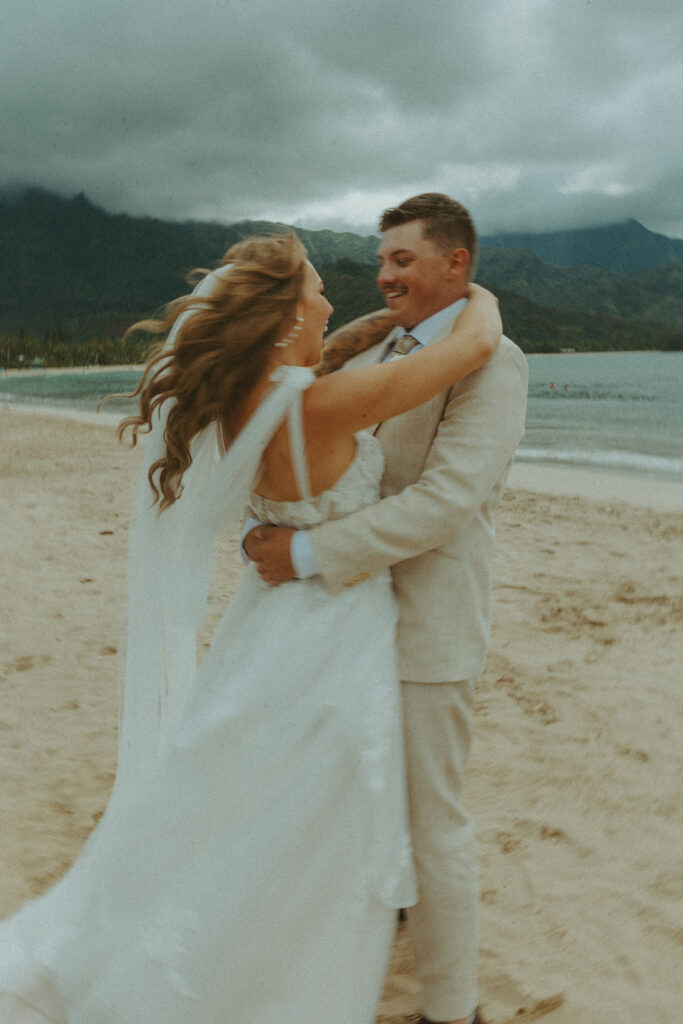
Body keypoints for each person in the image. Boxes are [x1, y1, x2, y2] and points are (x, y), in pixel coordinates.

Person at [0, 231, 503, 1024]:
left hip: (263, 626)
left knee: (244, 797)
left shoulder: (256, 400)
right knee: (311, 820)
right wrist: (472, 289)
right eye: (315, 289)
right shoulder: (324, 404)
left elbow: (330, 351)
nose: (332, 299)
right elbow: (472, 344)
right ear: (282, 316)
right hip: (330, 637)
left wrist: (376, 324)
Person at [244, 195, 530, 1024]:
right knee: (362, 801)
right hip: (347, 624)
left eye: (403, 259)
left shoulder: (493, 361)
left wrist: (302, 554)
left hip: (426, 626)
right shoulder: (389, 350)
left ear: (456, 265)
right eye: (381, 260)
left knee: (434, 822)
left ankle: (451, 1010)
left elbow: (446, 500)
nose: (384, 273)